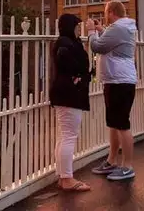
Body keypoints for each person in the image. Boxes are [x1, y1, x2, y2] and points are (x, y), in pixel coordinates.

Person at [88, 1, 138, 182]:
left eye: (105, 12)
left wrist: (91, 32)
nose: (105, 15)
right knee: (114, 123)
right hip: (115, 80)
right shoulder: (121, 28)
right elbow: (111, 43)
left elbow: (97, 47)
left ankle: (127, 165)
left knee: (122, 124)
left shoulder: (118, 28)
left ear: (111, 12)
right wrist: (102, 31)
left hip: (120, 81)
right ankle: (112, 160)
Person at [49, 14, 92, 192]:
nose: (77, 30)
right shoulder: (66, 44)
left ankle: (63, 175)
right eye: (76, 26)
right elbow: (68, 62)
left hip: (63, 92)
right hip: (70, 93)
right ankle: (67, 179)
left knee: (64, 136)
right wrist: (78, 77)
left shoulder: (63, 42)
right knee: (69, 136)